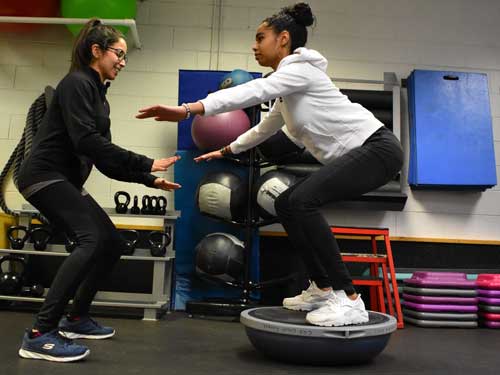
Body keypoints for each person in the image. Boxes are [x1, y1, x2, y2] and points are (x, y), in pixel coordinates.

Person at [136, 2, 403, 327]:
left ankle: (349, 298)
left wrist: (190, 108)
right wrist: (226, 150)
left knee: (303, 201)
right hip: (363, 154)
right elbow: (265, 128)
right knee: (288, 202)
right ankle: (321, 287)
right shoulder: (288, 89)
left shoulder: (300, 72)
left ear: (283, 39)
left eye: (261, 37)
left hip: (378, 149)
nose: (254, 45)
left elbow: (252, 90)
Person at [17, 19, 181, 363]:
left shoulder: (97, 96)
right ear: (97, 51)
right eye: (118, 54)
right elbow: (86, 141)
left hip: (65, 180)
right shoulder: (77, 83)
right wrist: (147, 162)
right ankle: (39, 334)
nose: (123, 61)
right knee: (91, 239)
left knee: (111, 243)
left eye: (125, 56)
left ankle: (76, 318)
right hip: (44, 176)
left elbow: (103, 159)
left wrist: (148, 179)